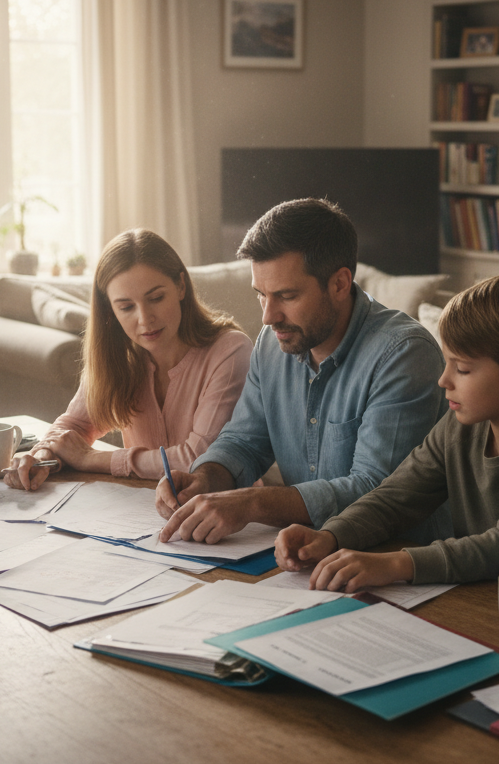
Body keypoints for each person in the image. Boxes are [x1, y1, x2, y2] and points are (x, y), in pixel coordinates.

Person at [154, 198, 449, 544]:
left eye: (286, 296)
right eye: (261, 295)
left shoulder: (404, 355)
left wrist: (251, 503)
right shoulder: (272, 342)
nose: (268, 316)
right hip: (299, 554)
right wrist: (207, 478)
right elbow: (243, 443)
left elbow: (375, 492)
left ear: (340, 284)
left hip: (397, 565)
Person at [274, 274, 499, 590]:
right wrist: (330, 535)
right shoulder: (460, 425)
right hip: (473, 595)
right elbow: (397, 497)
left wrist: (395, 564)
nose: (443, 380)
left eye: (462, 368)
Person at [5, 229, 251, 488]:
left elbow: (200, 460)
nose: (145, 319)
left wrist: (93, 459)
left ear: (180, 286)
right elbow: (74, 425)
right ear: (110, 309)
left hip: (228, 517)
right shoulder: (120, 354)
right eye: (126, 307)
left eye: (156, 298)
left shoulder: (230, 351)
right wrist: (42, 456)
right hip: (138, 513)